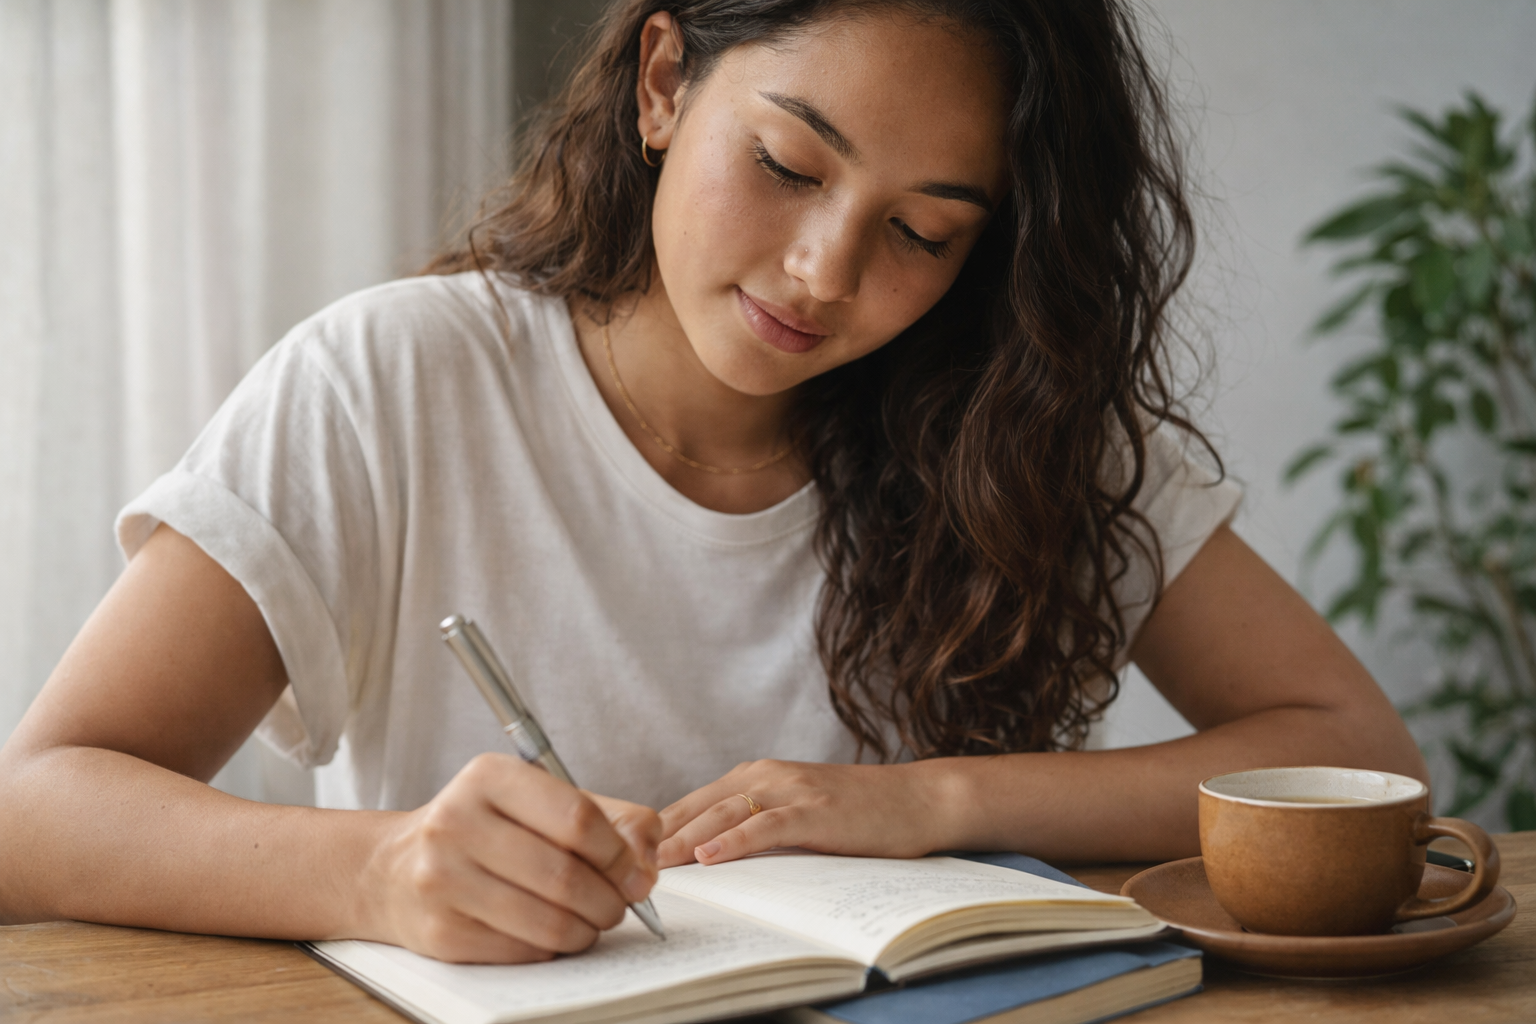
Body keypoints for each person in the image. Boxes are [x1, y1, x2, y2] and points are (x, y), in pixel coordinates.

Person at [0, 0, 1425, 966]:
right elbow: (37, 808)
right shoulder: (394, 384)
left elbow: (1361, 758)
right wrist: (375, 874)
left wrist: (933, 804)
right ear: (664, 79)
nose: (825, 273)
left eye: (923, 235)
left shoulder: (1019, 423)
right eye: (788, 164)